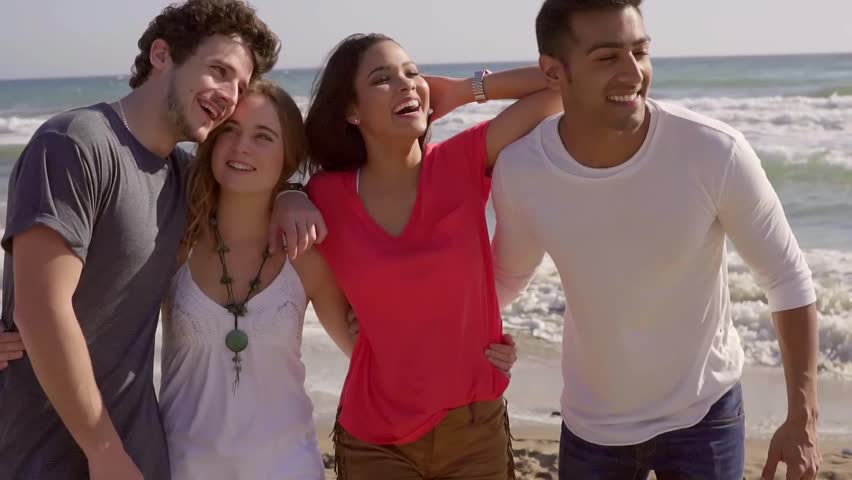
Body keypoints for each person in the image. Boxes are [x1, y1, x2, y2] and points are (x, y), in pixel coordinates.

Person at [490, 1, 821, 479]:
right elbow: (505, 277)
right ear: (553, 73)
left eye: (640, 52)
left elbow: (786, 276)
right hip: (592, 423)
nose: (633, 73)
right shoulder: (523, 170)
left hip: (704, 413)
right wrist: (422, 327)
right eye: (607, 57)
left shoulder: (712, 151)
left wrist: (802, 417)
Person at [0, 1, 279, 478]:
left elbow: (258, 192)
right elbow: (42, 309)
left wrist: (293, 197)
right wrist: (102, 450)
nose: (230, 95)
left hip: (136, 449)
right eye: (218, 71)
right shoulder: (75, 143)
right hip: (46, 451)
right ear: (162, 55)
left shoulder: (186, 177)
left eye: (240, 84)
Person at [284, 33, 563, 479]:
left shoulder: (462, 161)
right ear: (352, 112)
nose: (406, 84)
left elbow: (564, 85)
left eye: (412, 73)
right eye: (383, 79)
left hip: (474, 429)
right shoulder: (326, 196)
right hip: (375, 436)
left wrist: (464, 90)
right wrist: (287, 194)